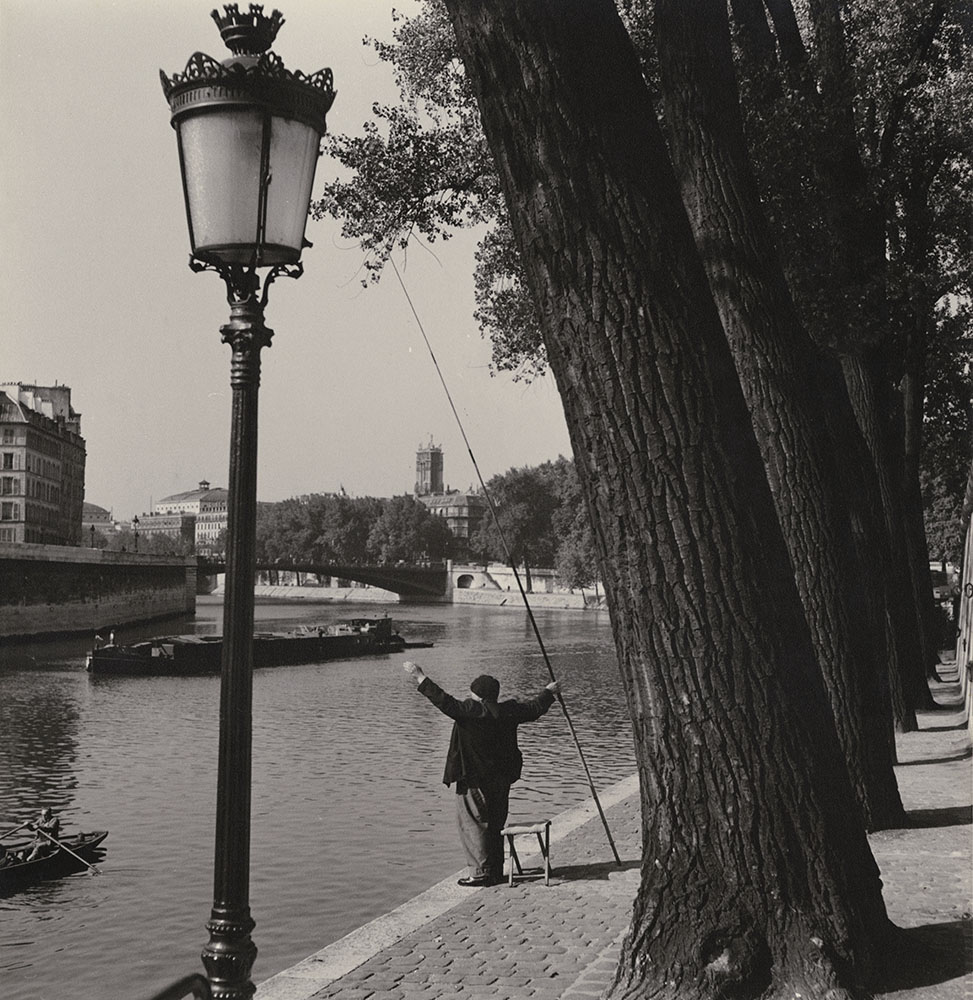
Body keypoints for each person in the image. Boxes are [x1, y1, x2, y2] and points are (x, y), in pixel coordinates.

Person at [403, 661, 560, 887]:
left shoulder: (470, 712)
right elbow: (534, 709)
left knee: (473, 825)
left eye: (473, 694)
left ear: (479, 697)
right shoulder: (509, 711)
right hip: (501, 779)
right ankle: (495, 870)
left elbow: (443, 701)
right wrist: (549, 692)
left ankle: (480, 873)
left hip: (473, 779)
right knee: (496, 824)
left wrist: (420, 676)